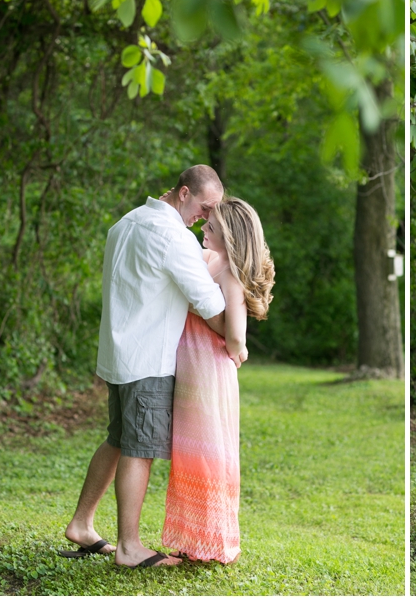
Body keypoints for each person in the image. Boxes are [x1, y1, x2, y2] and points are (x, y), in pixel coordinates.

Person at [61, 165, 246, 568]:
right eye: (204, 206)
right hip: (148, 359)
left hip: (117, 354)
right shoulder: (173, 237)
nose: (207, 216)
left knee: (116, 440)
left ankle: (81, 523)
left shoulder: (126, 222)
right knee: (139, 450)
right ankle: (129, 547)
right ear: (183, 193)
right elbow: (211, 308)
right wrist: (234, 339)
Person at [162, 197, 275, 564]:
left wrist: (238, 349)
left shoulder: (229, 274)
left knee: (209, 455)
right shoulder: (208, 260)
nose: (203, 229)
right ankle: (192, 538)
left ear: (231, 236)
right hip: (192, 366)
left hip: (210, 369)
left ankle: (211, 542)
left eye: (211, 228)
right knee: (189, 453)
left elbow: (237, 336)